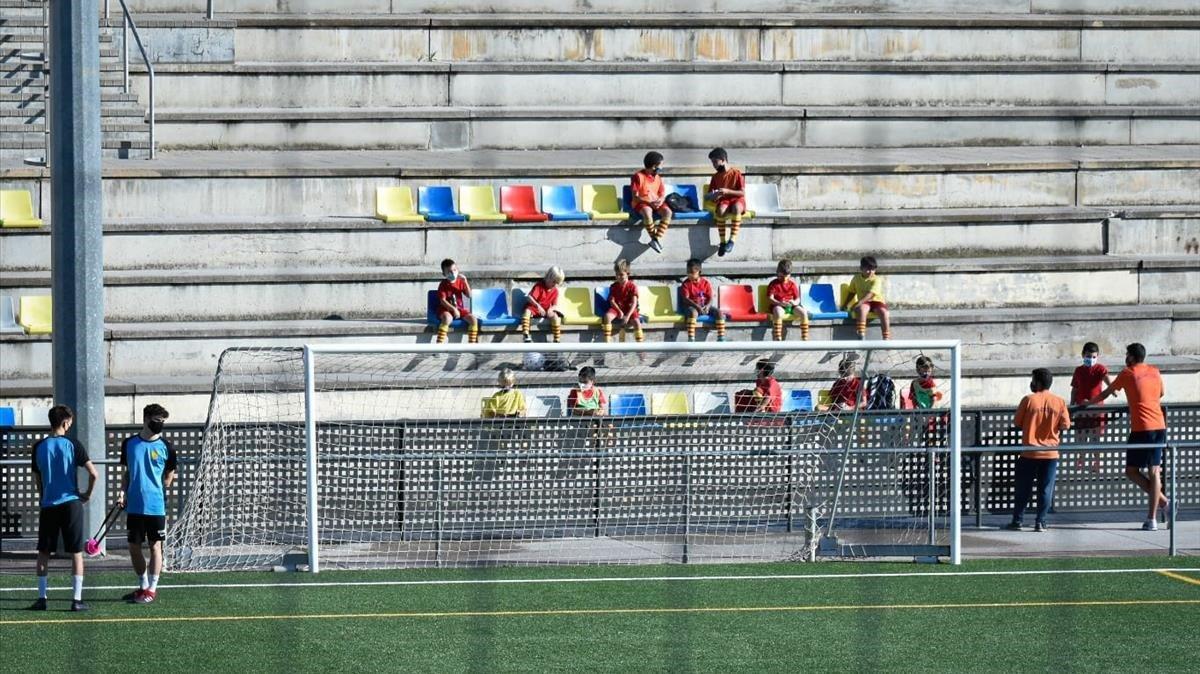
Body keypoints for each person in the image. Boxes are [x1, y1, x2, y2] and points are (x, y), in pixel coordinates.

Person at [1080, 343, 1167, 530]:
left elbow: (1107, 392)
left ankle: (1152, 519)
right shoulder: (1155, 371)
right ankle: (1164, 502)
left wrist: (1089, 403)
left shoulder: (1128, 373)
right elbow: (1161, 393)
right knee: (1133, 470)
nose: (1125, 358)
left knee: (1152, 471)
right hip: (1158, 425)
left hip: (1144, 428)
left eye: (1127, 355)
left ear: (1132, 358)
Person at [29, 405, 97, 612]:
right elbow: (94, 474)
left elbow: (38, 478)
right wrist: (87, 494)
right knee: (76, 552)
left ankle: (42, 598)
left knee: (44, 552)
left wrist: (43, 497)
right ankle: (76, 600)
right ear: (65, 422)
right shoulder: (73, 444)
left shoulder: (39, 446)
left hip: (49, 504)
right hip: (71, 503)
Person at [119, 403, 177, 604]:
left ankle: (152, 588)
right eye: (156, 421)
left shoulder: (167, 447)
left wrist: (159, 486)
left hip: (156, 506)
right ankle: (143, 585)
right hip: (134, 505)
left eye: (162, 422)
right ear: (145, 419)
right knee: (133, 547)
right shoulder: (129, 444)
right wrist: (122, 492)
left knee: (155, 547)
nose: (160, 424)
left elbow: (170, 474)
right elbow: (127, 473)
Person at [1006, 369, 1071, 532]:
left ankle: (1018, 520)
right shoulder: (1060, 401)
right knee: (1046, 489)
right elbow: (1065, 425)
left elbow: (1017, 423)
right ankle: (1041, 521)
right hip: (1051, 452)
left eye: (1033, 380)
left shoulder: (1028, 400)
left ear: (1038, 382)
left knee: (1023, 488)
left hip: (1029, 451)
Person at [1070, 341, 1114, 473]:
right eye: (1089, 356)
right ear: (1083, 355)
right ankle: (1080, 460)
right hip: (1081, 408)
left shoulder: (1100, 369)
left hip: (1097, 409)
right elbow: (1074, 389)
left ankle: (1096, 462)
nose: (1091, 359)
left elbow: (1107, 381)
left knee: (1096, 438)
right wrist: (1072, 404)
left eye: (1094, 357)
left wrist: (1113, 390)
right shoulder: (1078, 370)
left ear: (1098, 356)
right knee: (1081, 436)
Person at [706, 148, 746, 257]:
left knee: (737, 208)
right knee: (720, 210)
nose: (713, 165)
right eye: (712, 162)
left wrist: (727, 191)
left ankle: (732, 240)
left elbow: (742, 192)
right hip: (724, 200)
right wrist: (713, 195)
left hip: (737, 199)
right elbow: (708, 195)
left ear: (723, 160)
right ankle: (723, 242)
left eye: (715, 162)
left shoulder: (736, 173)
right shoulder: (715, 176)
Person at [631, 151, 672, 254]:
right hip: (642, 202)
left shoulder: (657, 177)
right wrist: (648, 202)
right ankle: (655, 239)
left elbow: (662, 193)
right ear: (654, 166)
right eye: (660, 165)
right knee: (647, 212)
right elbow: (635, 197)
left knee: (668, 212)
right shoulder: (638, 176)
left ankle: (655, 240)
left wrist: (661, 199)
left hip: (656, 202)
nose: (662, 167)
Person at [844, 256, 892, 340]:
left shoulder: (876, 279)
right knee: (862, 309)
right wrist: (845, 304)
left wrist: (859, 302)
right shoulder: (856, 278)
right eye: (868, 269)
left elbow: (871, 294)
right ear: (861, 268)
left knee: (884, 313)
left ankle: (886, 336)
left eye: (873, 269)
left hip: (876, 302)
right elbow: (852, 292)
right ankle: (861, 333)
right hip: (865, 303)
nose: (871, 272)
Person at [679, 258, 727, 342]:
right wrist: (697, 307)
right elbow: (685, 299)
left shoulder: (705, 283)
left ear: (699, 272)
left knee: (720, 313)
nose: (689, 274)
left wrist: (707, 307)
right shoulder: (686, 284)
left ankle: (721, 337)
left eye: (692, 272)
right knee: (693, 313)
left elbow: (710, 298)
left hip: (704, 305)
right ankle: (691, 338)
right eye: (688, 272)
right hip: (692, 306)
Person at [436, 258, 479, 344]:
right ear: (444, 274)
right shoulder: (443, 284)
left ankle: (472, 345)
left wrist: (465, 281)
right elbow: (442, 301)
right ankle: (439, 345)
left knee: (473, 319)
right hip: (446, 309)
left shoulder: (460, 282)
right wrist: (453, 309)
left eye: (454, 270)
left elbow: (469, 295)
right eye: (449, 272)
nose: (453, 273)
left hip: (459, 309)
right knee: (448, 319)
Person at [767, 259, 809, 341]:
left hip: (791, 306)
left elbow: (798, 298)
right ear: (777, 273)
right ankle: (778, 336)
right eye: (781, 276)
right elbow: (770, 298)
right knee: (778, 312)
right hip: (779, 305)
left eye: (786, 276)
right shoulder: (774, 284)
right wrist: (779, 303)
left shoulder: (792, 284)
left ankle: (805, 338)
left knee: (803, 312)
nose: (784, 278)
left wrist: (794, 302)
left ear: (790, 275)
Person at [521, 266, 565, 343]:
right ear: (548, 277)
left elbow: (555, 305)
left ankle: (557, 339)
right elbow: (529, 297)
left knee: (555, 316)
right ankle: (526, 334)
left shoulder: (555, 291)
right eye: (554, 282)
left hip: (545, 310)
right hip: (534, 308)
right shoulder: (539, 286)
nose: (555, 285)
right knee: (527, 311)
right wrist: (538, 306)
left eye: (557, 283)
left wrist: (550, 309)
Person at [603, 258, 643, 343]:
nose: (618, 277)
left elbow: (634, 303)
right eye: (617, 275)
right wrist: (619, 311)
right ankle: (607, 342)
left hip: (629, 310)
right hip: (617, 309)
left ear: (627, 274)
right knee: (607, 316)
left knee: (637, 322)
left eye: (621, 275)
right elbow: (612, 301)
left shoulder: (632, 286)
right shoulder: (614, 286)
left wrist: (627, 316)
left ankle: (640, 348)